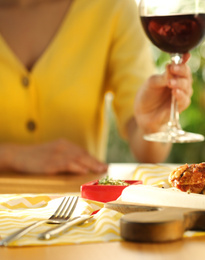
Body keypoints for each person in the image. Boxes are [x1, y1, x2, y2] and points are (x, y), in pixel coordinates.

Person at [0, 0, 193, 175]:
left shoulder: (113, 7)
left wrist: (152, 126)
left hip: (76, 209)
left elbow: (148, 153)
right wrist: (10, 155)